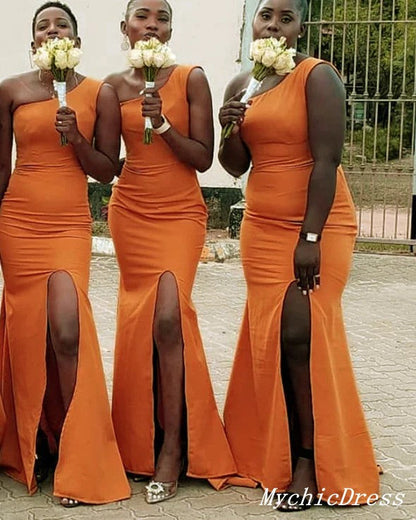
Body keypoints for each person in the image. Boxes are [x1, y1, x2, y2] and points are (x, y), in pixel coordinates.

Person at [218, 0, 380, 512]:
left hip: (320, 225)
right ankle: (281, 449)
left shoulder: (317, 77)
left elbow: (327, 159)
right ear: (253, 23)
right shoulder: (241, 85)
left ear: (299, 28)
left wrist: (310, 237)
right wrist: (228, 125)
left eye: (285, 18)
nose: (274, 25)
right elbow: (234, 165)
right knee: (277, 338)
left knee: (299, 333)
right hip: (262, 229)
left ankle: (310, 460)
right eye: (266, 15)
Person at [105, 0, 237, 505]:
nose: (152, 25)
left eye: (162, 19)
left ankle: (174, 447)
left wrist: (161, 125)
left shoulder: (191, 78)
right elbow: (108, 162)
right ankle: (138, 442)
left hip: (180, 212)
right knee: (141, 325)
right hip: (130, 212)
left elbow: (203, 158)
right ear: (125, 27)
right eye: (143, 16)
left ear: (170, 30)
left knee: (168, 317)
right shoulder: (111, 86)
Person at [0, 1, 130, 507]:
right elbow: (2, 168)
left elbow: (107, 169)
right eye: (43, 26)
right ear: (33, 40)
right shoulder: (10, 90)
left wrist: (75, 135)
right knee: (28, 332)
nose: (52, 31)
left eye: (61, 25)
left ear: (76, 40)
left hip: (68, 224)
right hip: (17, 221)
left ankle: (79, 454)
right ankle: (35, 441)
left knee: (67, 328)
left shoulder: (100, 93)